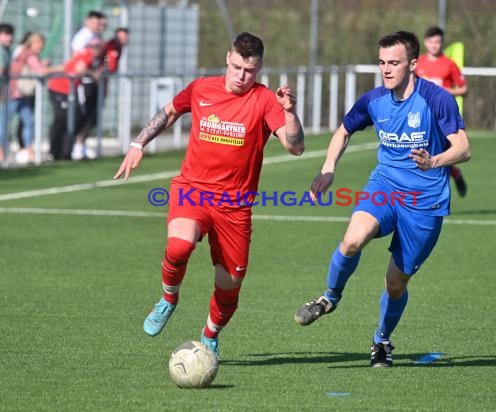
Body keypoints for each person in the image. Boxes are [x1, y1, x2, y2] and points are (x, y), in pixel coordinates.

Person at [114, 32, 304, 356]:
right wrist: (137, 143)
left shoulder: (265, 100)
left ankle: (210, 333)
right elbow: (170, 112)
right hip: (194, 191)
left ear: (259, 69)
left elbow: (295, 146)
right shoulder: (202, 88)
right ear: (227, 58)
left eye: (250, 71)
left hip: (235, 206)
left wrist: (288, 111)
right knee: (179, 245)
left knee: (230, 281)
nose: (242, 76)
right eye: (237, 67)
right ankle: (168, 298)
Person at [294, 31, 471, 367]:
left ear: (413, 65)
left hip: (425, 202)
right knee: (352, 239)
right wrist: (329, 168)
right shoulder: (373, 100)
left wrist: (434, 161)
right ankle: (329, 299)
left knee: (395, 282)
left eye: (394, 62)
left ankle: (381, 340)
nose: (386, 69)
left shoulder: (437, 99)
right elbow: (344, 130)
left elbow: (463, 147)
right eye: (382, 62)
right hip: (385, 186)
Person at [416, 26, 469, 197]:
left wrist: (445, 91)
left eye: (438, 42)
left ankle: (450, 178)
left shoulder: (449, 64)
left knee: (439, 155)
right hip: (420, 116)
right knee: (419, 153)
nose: (434, 45)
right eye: (431, 42)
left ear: (442, 43)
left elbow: (464, 89)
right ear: (425, 43)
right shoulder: (418, 63)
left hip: (442, 117)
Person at [6, 33, 60, 163]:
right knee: (5, 122)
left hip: (22, 93)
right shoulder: (29, 54)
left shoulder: (22, 51)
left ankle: (29, 149)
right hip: (15, 93)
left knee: (29, 122)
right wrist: (58, 68)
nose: (42, 46)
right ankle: (5, 152)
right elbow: (40, 70)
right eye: (40, 43)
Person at [47, 38, 104, 160]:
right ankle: (55, 151)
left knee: (76, 118)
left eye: (98, 47)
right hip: (60, 89)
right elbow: (80, 69)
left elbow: (69, 66)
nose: (95, 49)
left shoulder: (96, 57)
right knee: (62, 118)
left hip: (71, 90)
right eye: (93, 46)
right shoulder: (86, 55)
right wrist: (93, 74)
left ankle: (66, 150)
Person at [70, 10, 107, 160]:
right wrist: (93, 73)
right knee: (84, 113)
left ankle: (82, 143)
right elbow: (79, 61)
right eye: (95, 22)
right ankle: (76, 144)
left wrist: (104, 69)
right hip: (84, 82)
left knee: (93, 115)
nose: (98, 25)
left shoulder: (98, 37)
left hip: (94, 81)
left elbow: (105, 58)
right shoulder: (82, 38)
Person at [0, 22, 14, 165]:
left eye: (10, 35)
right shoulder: (1, 51)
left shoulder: (7, 50)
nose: (9, 38)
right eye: (5, 34)